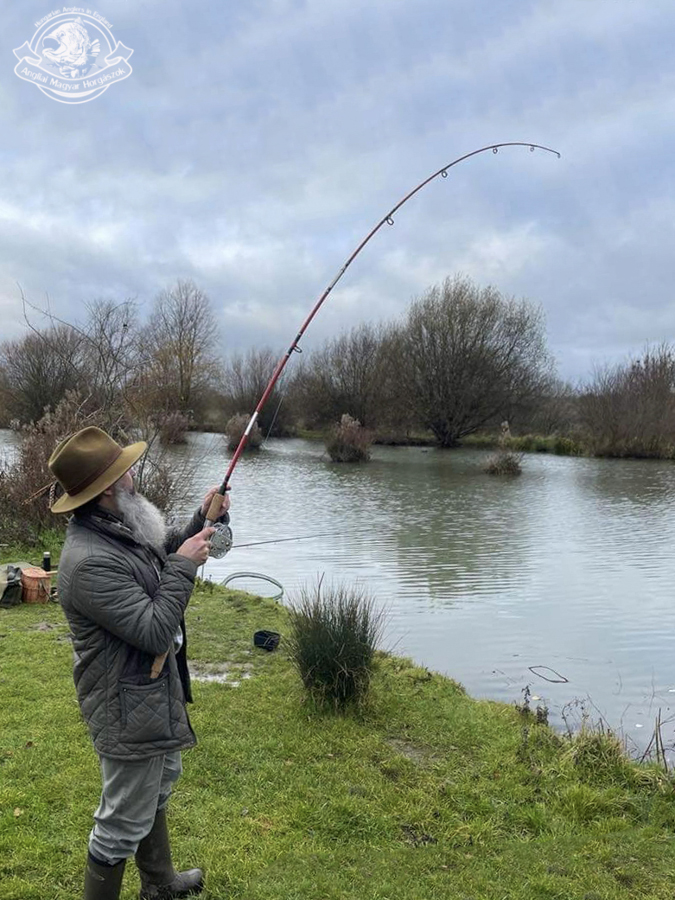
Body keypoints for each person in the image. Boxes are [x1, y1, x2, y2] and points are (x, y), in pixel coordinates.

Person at [48, 426, 230, 900]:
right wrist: (186, 566)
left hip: (146, 695)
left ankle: (160, 884)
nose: (133, 474)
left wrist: (199, 520)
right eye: (125, 469)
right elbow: (152, 630)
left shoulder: (112, 527)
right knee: (120, 822)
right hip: (124, 704)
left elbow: (157, 551)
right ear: (108, 487)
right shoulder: (88, 562)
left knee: (158, 786)